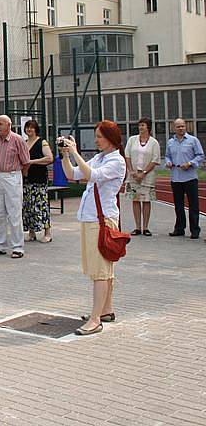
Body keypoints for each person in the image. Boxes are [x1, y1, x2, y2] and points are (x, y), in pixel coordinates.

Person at [59, 121, 127, 336]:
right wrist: (65, 155)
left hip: (102, 220)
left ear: (110, 138)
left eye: (99, 136)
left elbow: (94, 176)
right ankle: (106, 310)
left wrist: (76, 152)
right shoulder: (100, 158)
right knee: (101, 270)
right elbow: (73, 173)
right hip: (91, 219)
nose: (96, 139)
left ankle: (96, 319)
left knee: (100, 271)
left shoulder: (116, 161)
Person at [0, 115, 30, 259]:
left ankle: (18, 247)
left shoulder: (17, 140)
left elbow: (26, 161)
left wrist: (19, 177)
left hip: (12, 176)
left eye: (0, 124)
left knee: (14, 212)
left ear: (9, 125)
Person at [165, 118, 204, 239]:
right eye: (178, 127)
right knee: (178, 205)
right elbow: (167, 156)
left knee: (193, 205)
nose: (181, 128)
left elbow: (200, 155)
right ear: (174, 128)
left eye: (182, 126)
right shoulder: (170, 142)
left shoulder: (193, 140)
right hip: (176, 177)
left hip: (190, 177)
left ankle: (195, 229)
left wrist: (190, 163)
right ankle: (179, 228)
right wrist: (168, 162)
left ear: (185, 127)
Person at [124, 117, 161, 236]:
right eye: (139, 125)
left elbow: (155, 159)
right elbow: (127, 155)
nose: (140, 127)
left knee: (146, 200)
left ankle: (145, 227)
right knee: (135, 200)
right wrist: (131, 171)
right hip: (133, 175)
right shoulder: (132, 140)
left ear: (148, 127)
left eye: (143, 125)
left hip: (147, 176)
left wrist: (143, 173)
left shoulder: (154, 142)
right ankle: (137, 227)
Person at [22, 119, 54, 243]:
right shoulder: (24, 143)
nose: (29, 130)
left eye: (32, 127)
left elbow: (49, 158)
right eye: (27, 127)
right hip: (27, 179)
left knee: (41, 206)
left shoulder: (42, 142)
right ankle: (31, 232)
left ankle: (47, 232)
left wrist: (32, 162)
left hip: (39, 179)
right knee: (28, 206)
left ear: (36, 129)